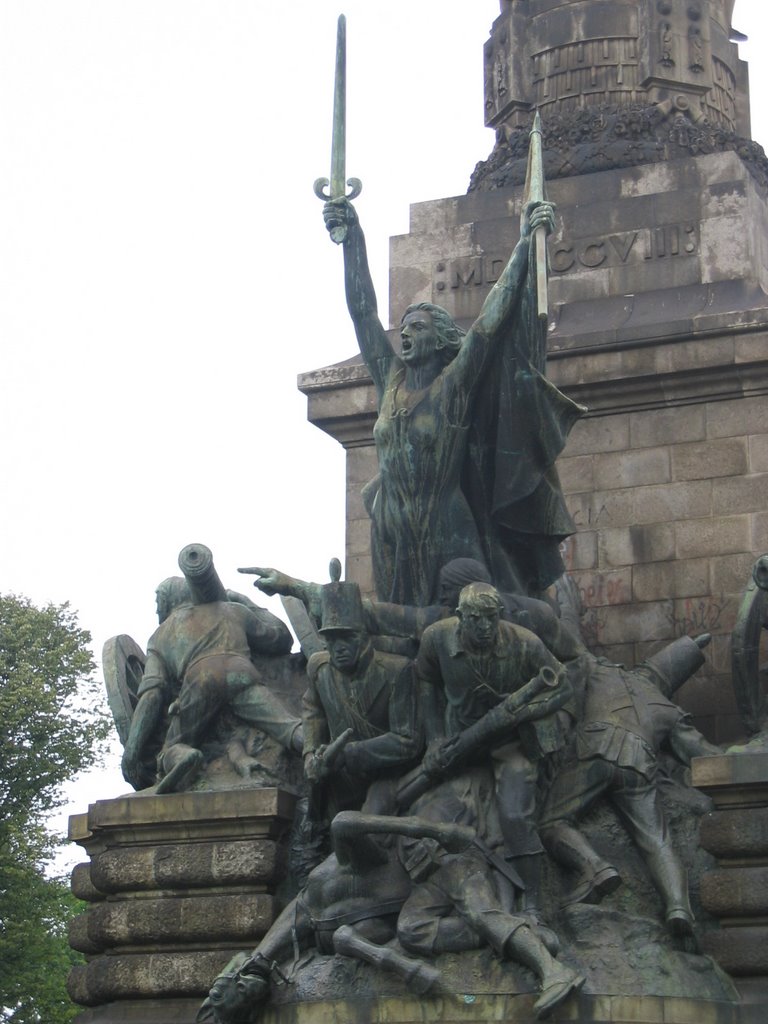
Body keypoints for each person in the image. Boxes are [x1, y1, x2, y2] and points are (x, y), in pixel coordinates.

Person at [323, 195, 584, 606]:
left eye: (418, 328)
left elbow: (489, 324)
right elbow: (363, 312)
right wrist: (352, 237)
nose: (405, 333)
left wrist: (523, 246)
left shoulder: (453, 387)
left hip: (448, 524)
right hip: (392, 526)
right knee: (400, 630)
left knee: (470, 613)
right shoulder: (389, 380)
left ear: (441, 339)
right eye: (404, 327)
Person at [408, 582, 572, 922]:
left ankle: (533, 903)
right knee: (425, 804)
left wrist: (524, 714)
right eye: (476, 619)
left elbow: (564, 685)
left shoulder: (524, 643)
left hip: (510, 742)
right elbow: (425, 680)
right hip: (461, 739)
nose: (485, 627)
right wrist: (436, 739)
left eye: (491, 618)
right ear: (460, 617)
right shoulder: (437, 638)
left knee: (514, 814)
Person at [538, 635, 721, 939]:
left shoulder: (599, 668)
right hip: (639, 764)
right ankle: (678, 907)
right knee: (657, 841)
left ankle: (594, 868)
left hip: (594, 751)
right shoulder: (668, 709)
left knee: (551, 820)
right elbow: (704, 755)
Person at [121, 551, 302, 794]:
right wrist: (246, 602)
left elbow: (151, 695)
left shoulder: (160, 635)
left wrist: (131, 752)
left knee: (173, 745)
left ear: (167, 601)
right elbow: (280, 638)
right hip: (242, 673)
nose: (156, 612)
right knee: (287, 726)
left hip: (200, 680)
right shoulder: (233, 610)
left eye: (158, 605)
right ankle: (316, 749)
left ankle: (183, 756)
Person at [302, 576, 421, 819]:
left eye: (348, 637)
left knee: (362, 830)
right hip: (338, 779)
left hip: (388, 776)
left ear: (364, 635)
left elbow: (408, 740)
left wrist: (350, 754)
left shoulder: (397, 671)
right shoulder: (319, 668)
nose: (339, 647)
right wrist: (310, 755)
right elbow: (313, 712)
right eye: (332, 639)